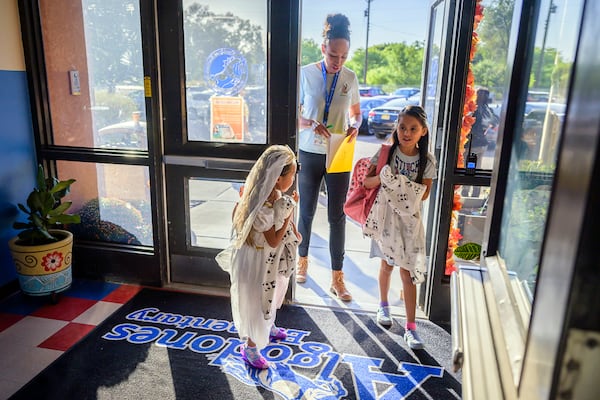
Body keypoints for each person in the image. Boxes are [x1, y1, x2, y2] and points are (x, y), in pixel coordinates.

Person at [216, 145, 301, 369]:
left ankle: (268, 323)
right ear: (277, 178)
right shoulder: (262, 204)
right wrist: (291, 210)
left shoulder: (275, 195)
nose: (293, 178)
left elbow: (281, 223)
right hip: (257, 260)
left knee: (272, 293)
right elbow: (273, 238)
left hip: (269, 259)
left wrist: (291, 225)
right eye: (291, 174)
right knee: (257, 300)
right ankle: (251, 347)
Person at [296, 13, 361, 301]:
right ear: (323, 48)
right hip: (309, 151)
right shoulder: (305, 73)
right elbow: (292, 116)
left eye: (344, 56)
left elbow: (356, 114)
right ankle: (302, 262)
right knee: (306, 212)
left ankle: (338, 278)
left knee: (337, 217)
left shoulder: (350, 77)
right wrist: (310, 123)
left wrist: (355, 127)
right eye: (334, 55)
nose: (338, 62)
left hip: (338, 153)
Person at [363, 105, 437, 350]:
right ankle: (383, 305)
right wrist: (384, 177)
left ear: (423, 132)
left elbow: (424, 195)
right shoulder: (386, 153)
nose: (406, 132)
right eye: (403, 127)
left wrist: (402, 185)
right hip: (386, 218)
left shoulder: (427, 160)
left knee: (407, 272)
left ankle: (411, 327)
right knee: (387, 264)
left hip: (409, 222)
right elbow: (367, 182)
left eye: (413, 129)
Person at [462, 87, 499, 197]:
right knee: (476, 167)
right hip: (482, 144)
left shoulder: (474, 109)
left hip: (472, 144)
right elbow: (494, 121)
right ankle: (475, 190)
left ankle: (467, 189)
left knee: (470, 167)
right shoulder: (488, 109)